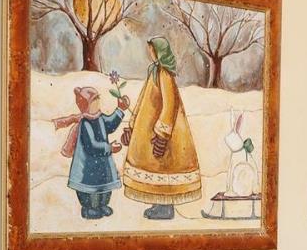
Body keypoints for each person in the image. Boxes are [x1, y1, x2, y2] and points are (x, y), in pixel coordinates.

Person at [120, 36, 202, 219]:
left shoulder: (165, 74)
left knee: (164, 165)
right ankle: (159, 204)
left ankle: (165, 208)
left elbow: (170, 104)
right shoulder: (154, 71)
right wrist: (132, 128)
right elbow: (143, 101)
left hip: (164, 132)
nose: (149, 53)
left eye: (151, 49)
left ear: (159, 51)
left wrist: (162, 135)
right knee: (156, 167)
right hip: (149, 129)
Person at [53, 85, 128, 219]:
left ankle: (103, 205)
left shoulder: (99, 117)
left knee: (104, 187)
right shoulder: (86, 123)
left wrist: (120, 110)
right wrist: (109, 148)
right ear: (86, 105)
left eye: (98, 98)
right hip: (88, 166)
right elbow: (92, 146)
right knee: (90, 190)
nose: (98, 102)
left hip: (102, 164)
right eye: (94, 100)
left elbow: (110, 124)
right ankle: (89, 208)